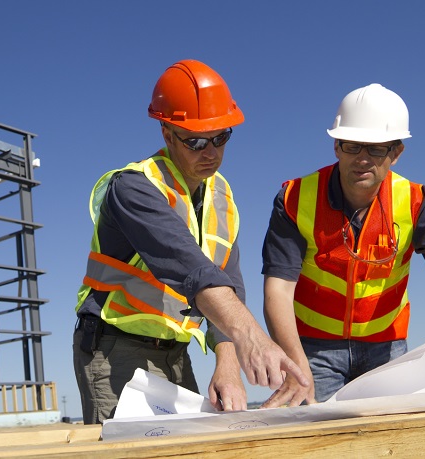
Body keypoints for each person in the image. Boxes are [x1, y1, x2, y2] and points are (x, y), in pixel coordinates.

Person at [260, 83, 425, 408]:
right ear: (336, 146)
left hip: (385, 347)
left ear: (396, 153)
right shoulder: (294, 198)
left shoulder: (417, 202)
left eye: (375, 149)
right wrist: (293, 362)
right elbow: (278, 290)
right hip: (311, 348)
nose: (362, 159)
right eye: (352, 145)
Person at [72, 59, 307, 424]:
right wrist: (252, 337)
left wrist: (227, 362)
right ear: (167, 134)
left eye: (220, 137)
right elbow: (194, 270)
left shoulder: (221, 196)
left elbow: (228, 283)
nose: (210, 152)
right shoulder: (134, 188)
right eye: (196, 141)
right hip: (114, 347)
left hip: (175, 352)